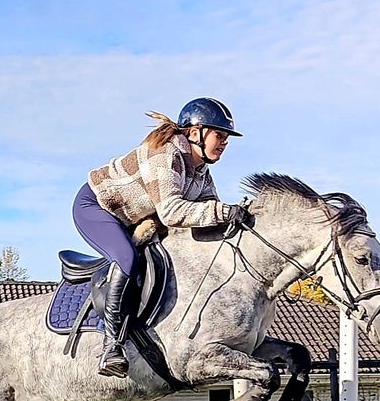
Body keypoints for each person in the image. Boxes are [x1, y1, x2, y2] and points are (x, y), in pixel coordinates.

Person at [73, 97, 253, 377]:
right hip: (96, 207)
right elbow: (171, 212)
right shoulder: (166, 155)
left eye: (226, 138)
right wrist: (224, 211)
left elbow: (206, 216)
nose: (224, 143)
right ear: (195, 132)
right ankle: (112, 346)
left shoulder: (201, 172)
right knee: (127, 257)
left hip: (134, 217)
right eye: (219, 135)